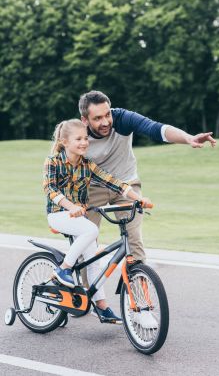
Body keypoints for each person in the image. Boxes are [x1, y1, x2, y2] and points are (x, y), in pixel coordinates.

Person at [78, 90, 217, 264]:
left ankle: (138, 289)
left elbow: (156, 129)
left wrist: (188, 138)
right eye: (97, 118)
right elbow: (60, 166)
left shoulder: (122, 119)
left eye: (107, 115)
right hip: (92, 188)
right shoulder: (77, 134)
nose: (105, 122)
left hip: (127, 186)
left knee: (134, 242)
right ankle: (82, 290)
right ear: (85, 120)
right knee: (86, 246)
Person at [43, 118, 151, 323]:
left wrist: (139, 198)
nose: (84, 142)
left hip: (78, 217)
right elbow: (50, 189)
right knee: (91, 231)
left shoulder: (88, 165)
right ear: (65, 141)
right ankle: (63, 269)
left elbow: (115, 183)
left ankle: (101, 307)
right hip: (58, 214)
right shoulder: (53, 161)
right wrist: (70, 206)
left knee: (94, 260)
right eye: (78, 139)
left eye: (85, 138)